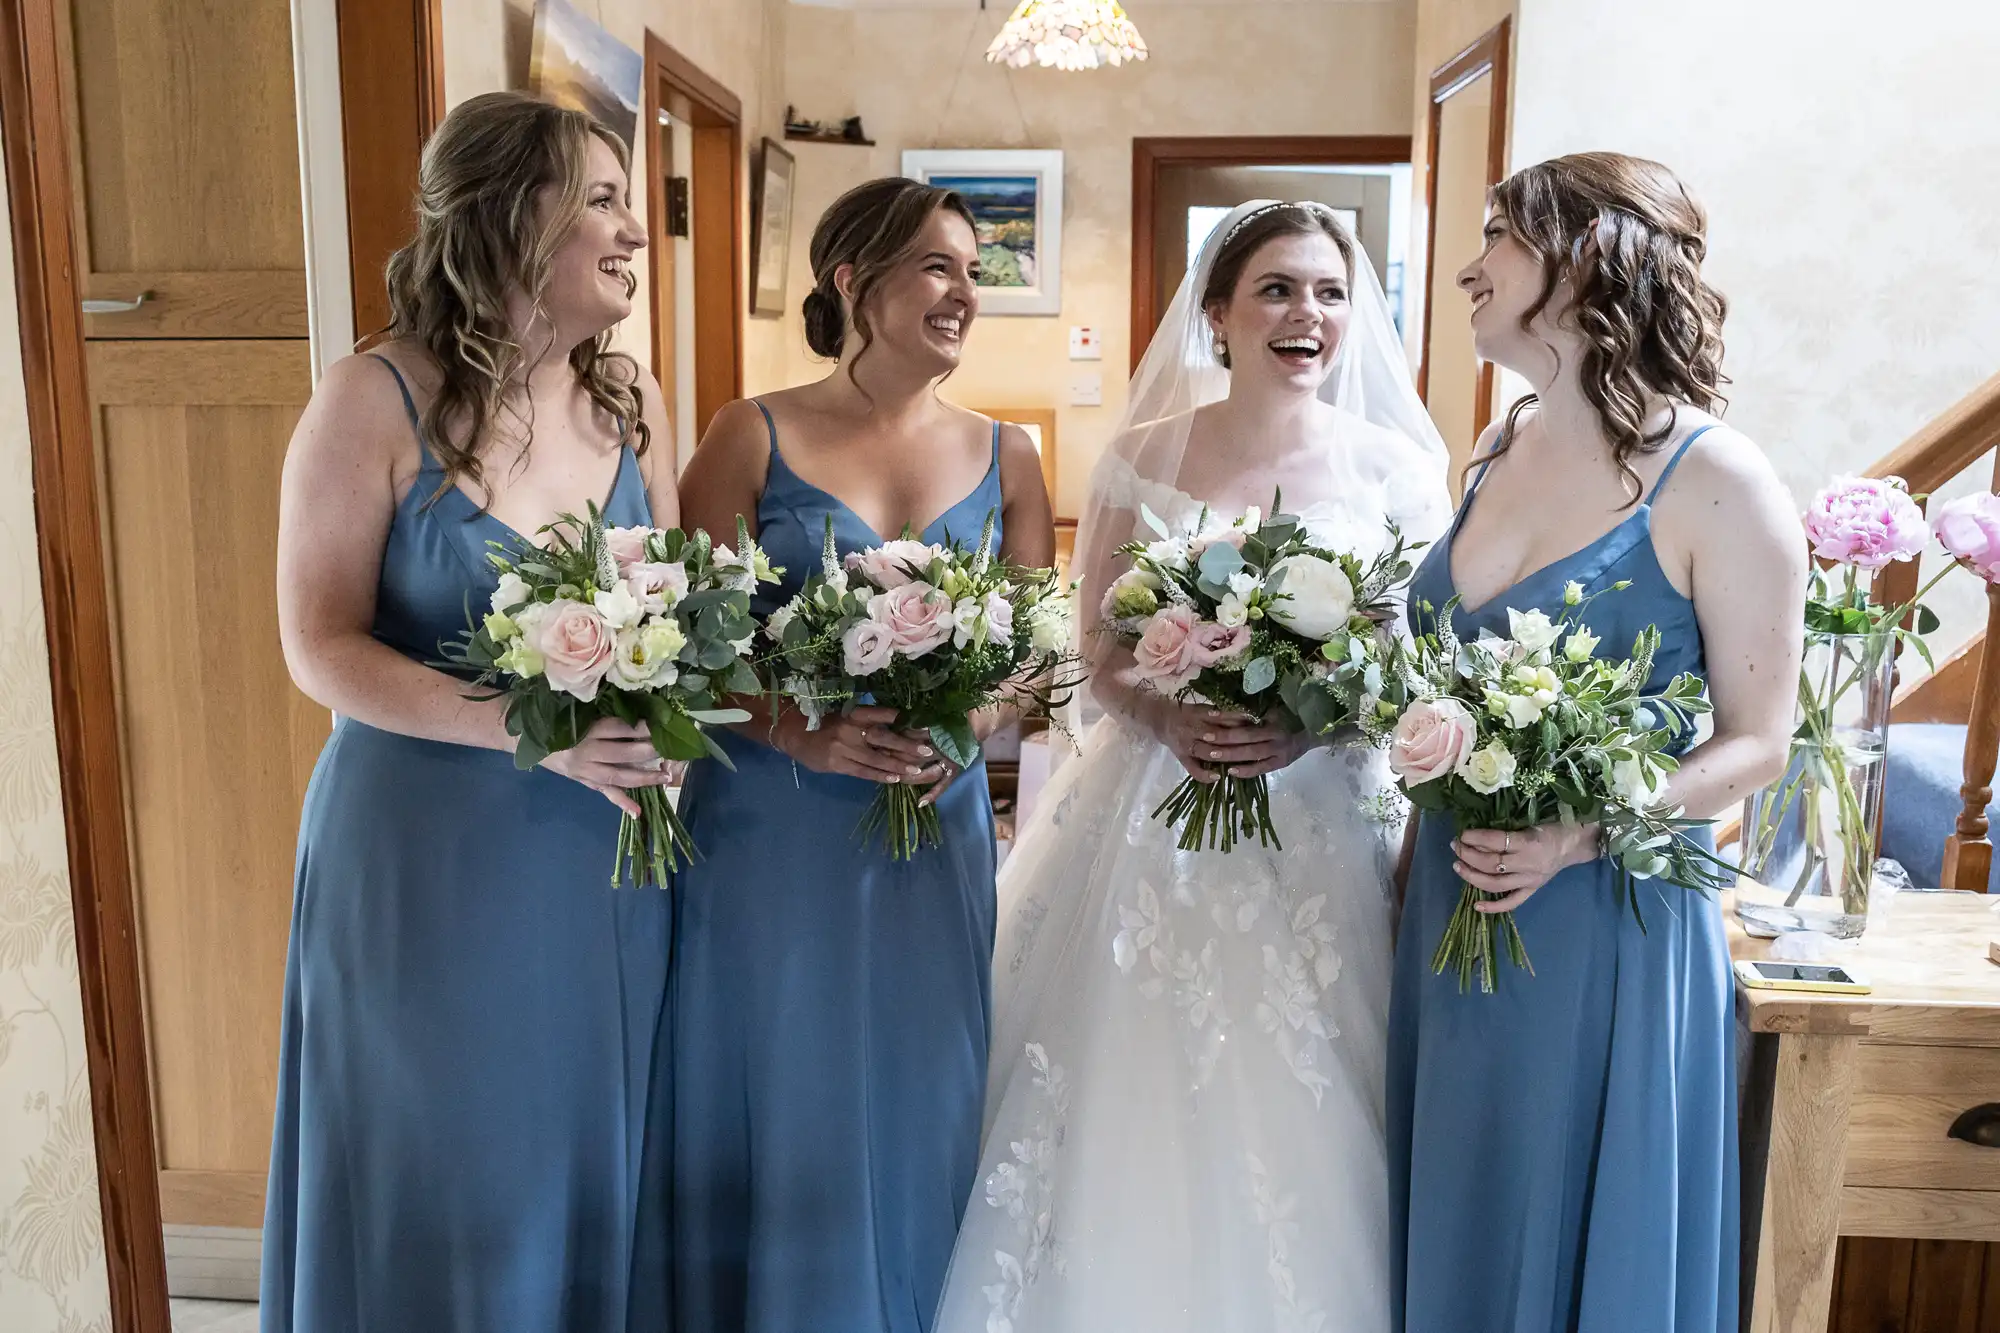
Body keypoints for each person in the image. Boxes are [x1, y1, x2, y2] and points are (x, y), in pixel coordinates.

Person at [932, 200, 1453, 1333]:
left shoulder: (1401, 467)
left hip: (1327, 818)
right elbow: (1097, 656)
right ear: (1216, 312)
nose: (1303, 314)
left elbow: (1414, 668)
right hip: (1159, 813)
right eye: (1274, 289)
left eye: (1325, 291)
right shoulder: (1142, 455)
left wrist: (1312, 726)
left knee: (1326, 1084)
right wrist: (1170, 722)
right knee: (1135, 1073)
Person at [264, 91, 676, 1332]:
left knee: (572, 1142)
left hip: (596, 855)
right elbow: (317, 644)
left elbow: (657, 608)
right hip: (424, 859)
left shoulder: (624, 400)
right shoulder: (370, 398)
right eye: (600, 198)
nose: (632, 230)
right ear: (510, 216)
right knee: (434, 1154)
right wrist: (527, 732)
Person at [1387, 152, 1805, 1333]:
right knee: (1458, 1205)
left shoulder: (1713, 477)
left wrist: (1577, 832)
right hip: (1452, 905)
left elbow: (1757, 741)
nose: (1468, 268)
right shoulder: (1490, 450)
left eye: (1495, 241)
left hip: (1604, 920)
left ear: (1582, 263)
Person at [669, 176, 1056, 1333]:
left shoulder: (1011, 455)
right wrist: (803, 729)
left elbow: (1033, 660)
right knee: (781, 1088)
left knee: (920, 1090)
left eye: (971, 274)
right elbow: (684, 653)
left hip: (928, 831)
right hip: (770, 832)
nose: (963, 295)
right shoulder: (751, 432)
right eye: (938, 267)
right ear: (853, 282)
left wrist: (971, 721)